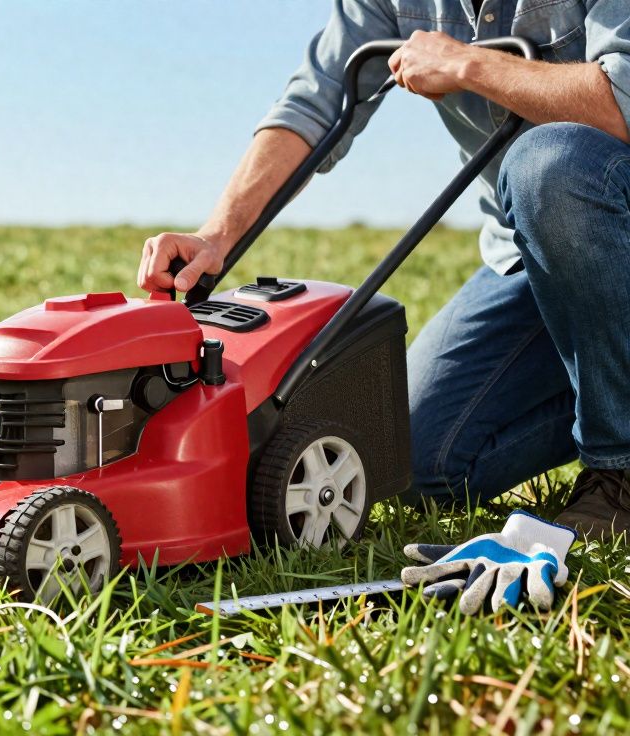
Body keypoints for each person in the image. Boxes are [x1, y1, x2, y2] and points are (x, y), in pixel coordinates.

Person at [136, 1, 630, 539]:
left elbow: (623, 101)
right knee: (419, 458)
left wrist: (470, 65)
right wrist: (217, 235)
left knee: (547, 162)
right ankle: (608, 386)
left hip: (600, 210)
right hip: (532, 257)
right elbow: (315, 103)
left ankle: (620, 471)